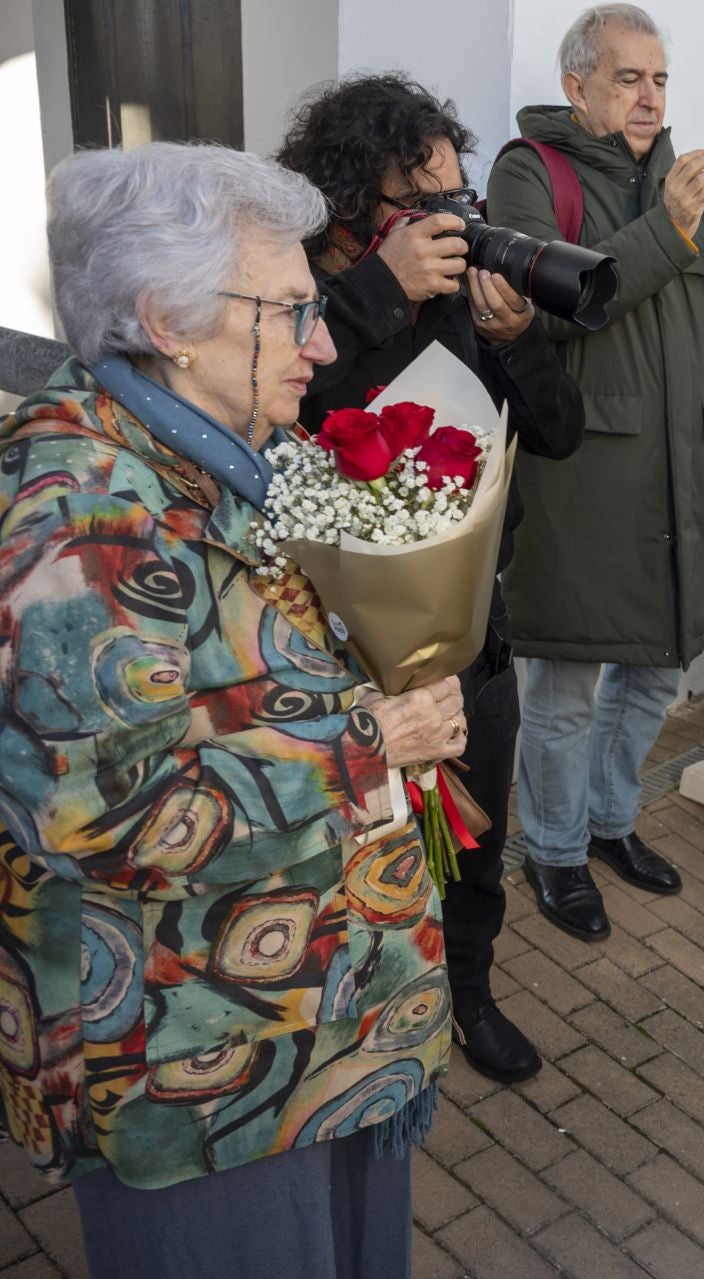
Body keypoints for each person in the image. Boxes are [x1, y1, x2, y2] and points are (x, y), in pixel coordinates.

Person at [0, 141, 466, 1277]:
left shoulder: (221, 456)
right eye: (291, 309)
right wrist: (376, 739)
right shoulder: (84, 519)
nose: (321, 341)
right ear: (168, 317)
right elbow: (99, 812)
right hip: (201, 1068)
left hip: (313, 1017)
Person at [277, 73, 587, 1085]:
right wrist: (377, 294)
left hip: (469, 631)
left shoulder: (464, 293)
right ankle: (358, 1013)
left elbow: (555, 433)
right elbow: (278, 416)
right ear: (351, 197)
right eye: (425, 202)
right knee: (350, 854)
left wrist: (518, 341)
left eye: (461, 200)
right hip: (333, 646)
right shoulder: (288, 294)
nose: (451, 223)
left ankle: (470, 994)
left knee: (478, 840)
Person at [486, 3, 704, 941]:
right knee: (567, 685)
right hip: (587, 471)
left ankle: (608, 824)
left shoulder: (690, 180)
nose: (649, 96)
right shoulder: (528, 173)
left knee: (653, 675)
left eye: (659, 78)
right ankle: (549, 848)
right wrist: (668, 227)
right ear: (578, 86)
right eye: (628, 78)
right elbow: (541, 309)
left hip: (684, 472)